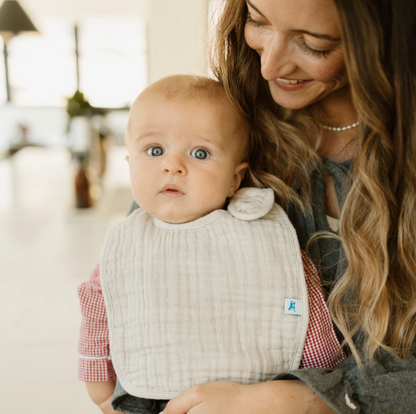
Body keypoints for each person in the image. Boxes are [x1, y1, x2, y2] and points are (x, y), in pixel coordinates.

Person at [152, 0, 416, 413]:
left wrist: (298, 399)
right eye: (257, 21)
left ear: (386, 42)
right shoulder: (219, 123)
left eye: (314, 45)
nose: (269, 67)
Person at [78, 75, 345, 414]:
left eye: (200, 152)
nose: (172, 165)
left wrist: (322, 372)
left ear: (235, 178)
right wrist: (101, 388)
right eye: (155, 150)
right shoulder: (129, 244)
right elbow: (101, 308)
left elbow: (301, 301)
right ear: (130, 164)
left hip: (252, 394)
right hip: (148, 398)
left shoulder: (264, 237)